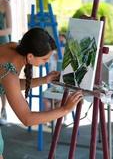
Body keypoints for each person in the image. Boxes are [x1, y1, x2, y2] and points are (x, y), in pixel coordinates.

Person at [0, 27, 83, 158]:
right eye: (45, 59)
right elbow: (27, 119)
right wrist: (65, 109)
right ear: (30, 56)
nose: (46, 62)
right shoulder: (9, 71)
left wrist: (44, 80)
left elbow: (10, 85)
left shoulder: (15, 48)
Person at [0, 0, 12, 124]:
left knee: (3, 78)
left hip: (3, 43)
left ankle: (4, 110)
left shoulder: (5, 3)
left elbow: (10, 29)